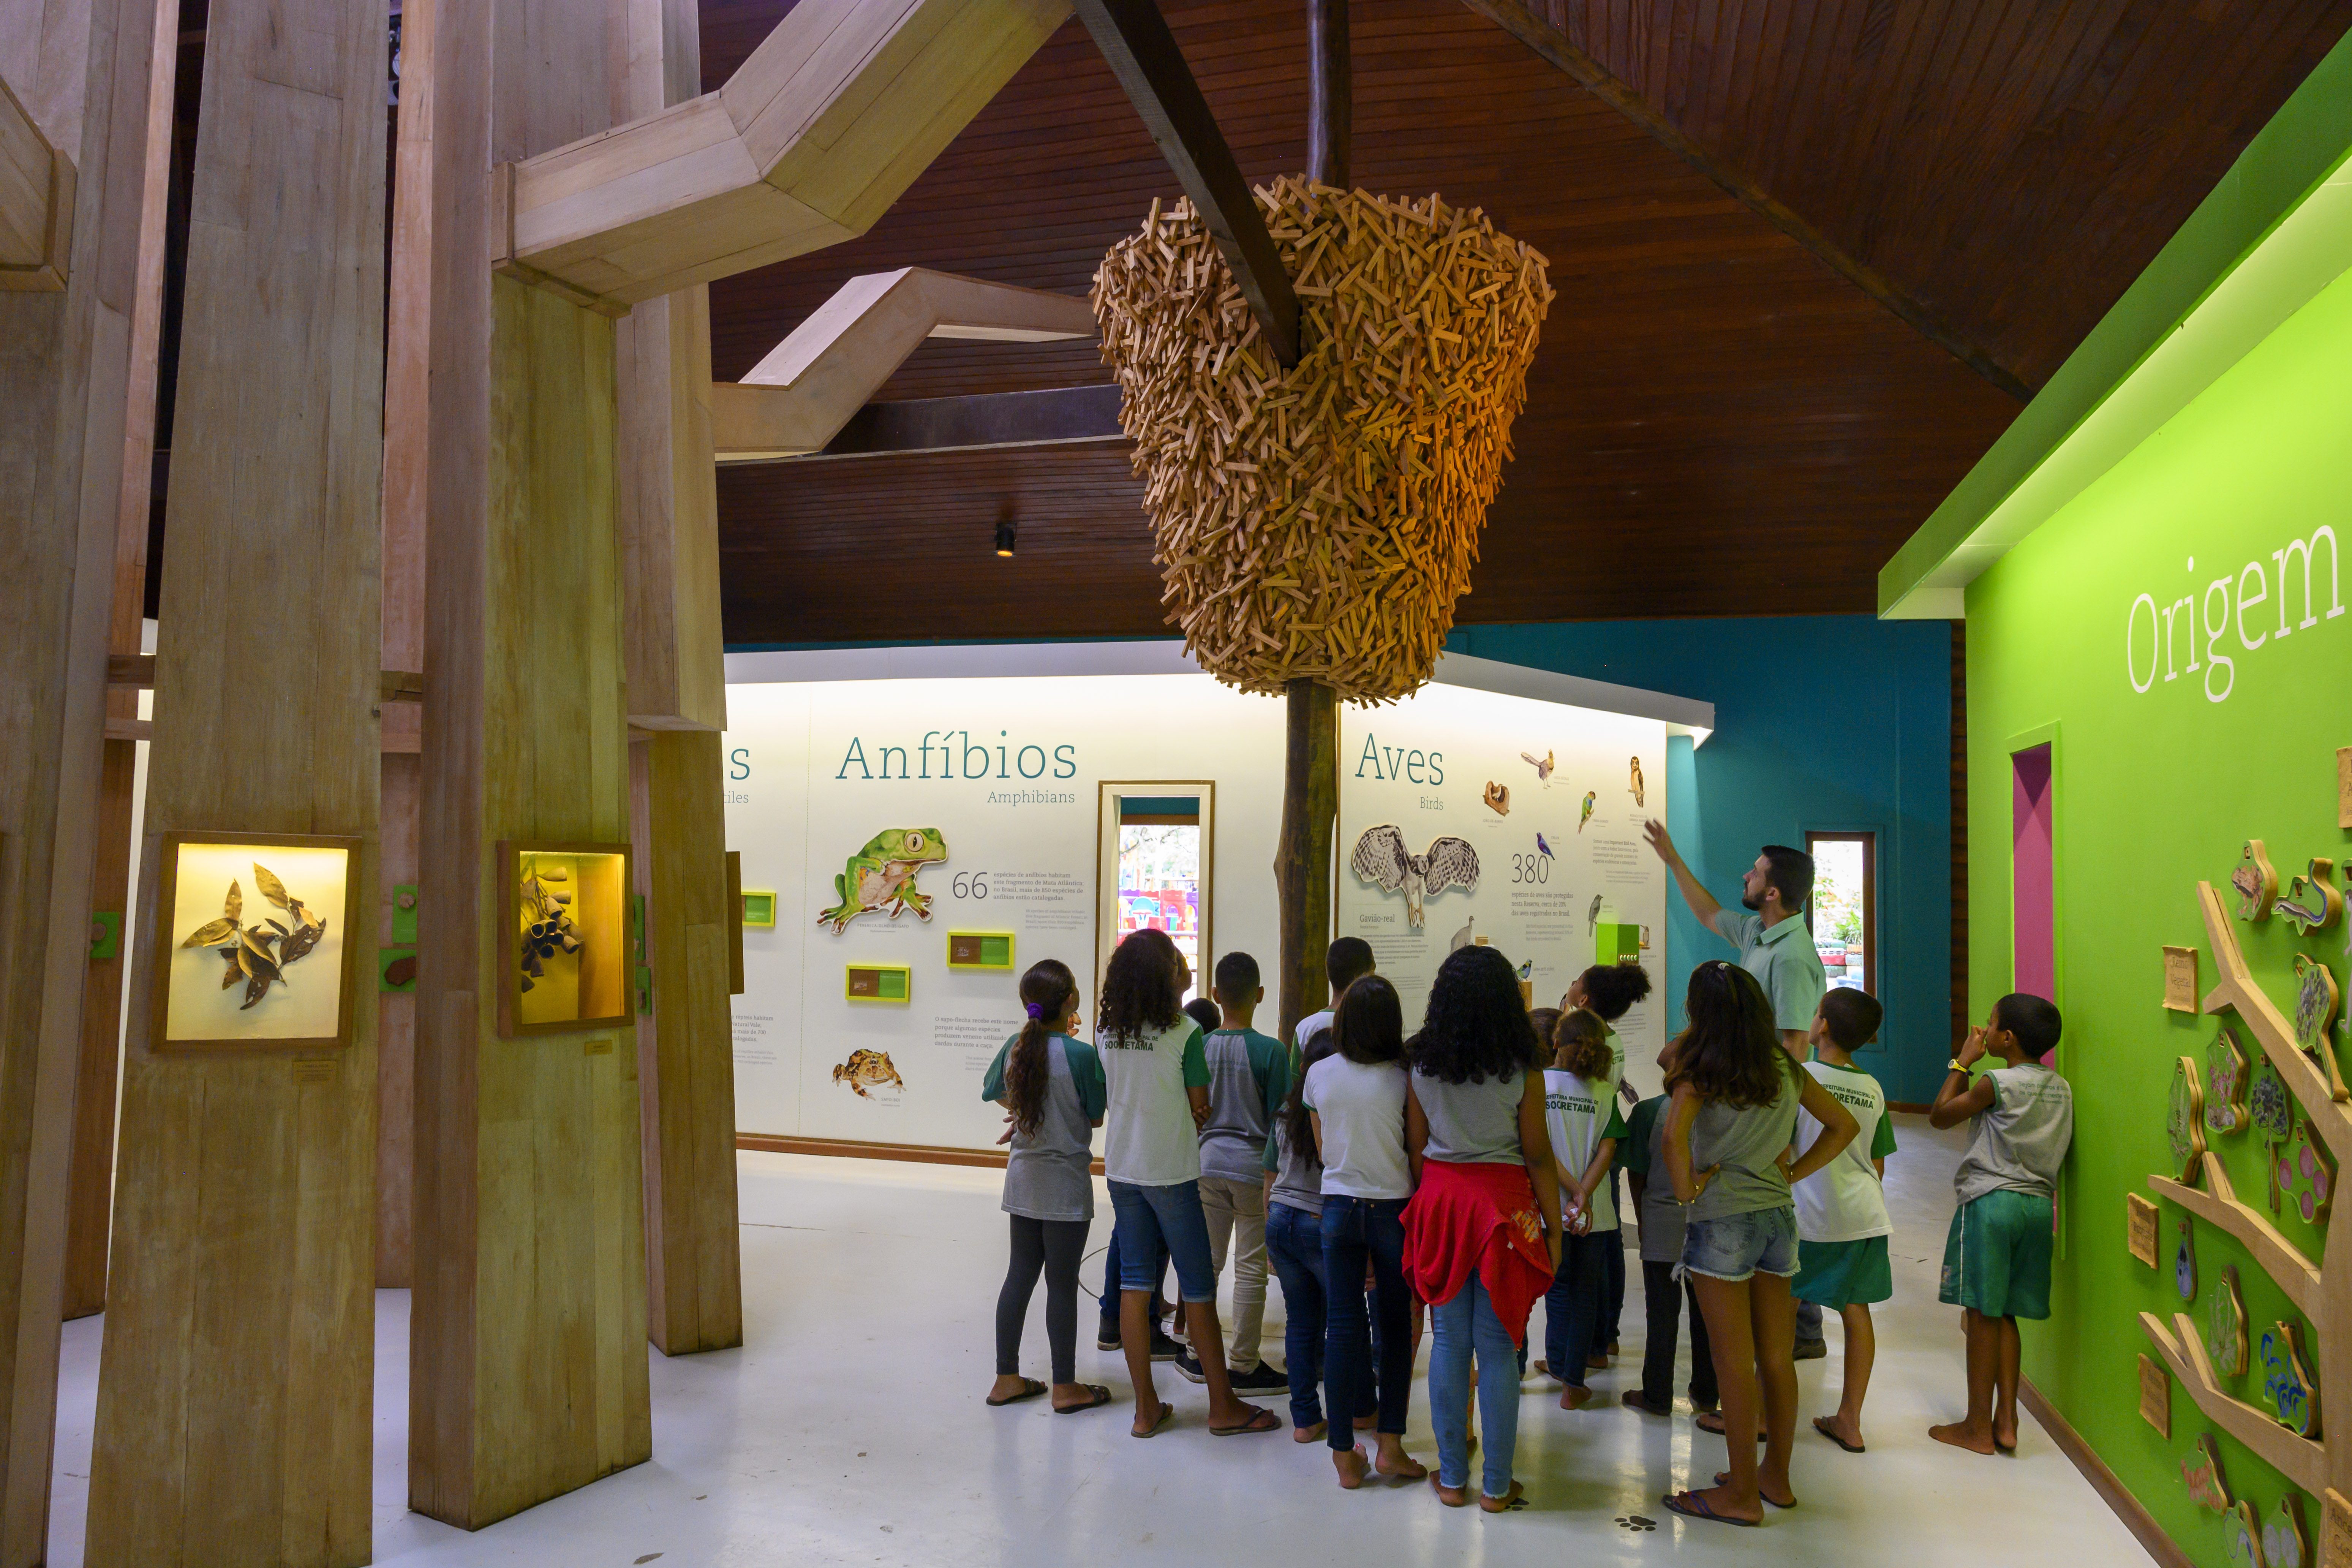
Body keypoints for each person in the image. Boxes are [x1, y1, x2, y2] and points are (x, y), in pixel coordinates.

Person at [1660, 962, 1857, 1528]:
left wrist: (1687, 1192)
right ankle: (1775, 1477)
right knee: (1776, 1356)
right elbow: (1842, 1126)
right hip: (1778, 1219)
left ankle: (1742, 1494)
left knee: (1732, 1364)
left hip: (1724, 1220)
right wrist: (1792, 1175)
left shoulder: (1704, 1066)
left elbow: (1674, 1137)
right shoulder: (1784, 1066)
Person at [1643, 824, 1831, 1359]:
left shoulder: (1792, 956)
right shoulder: (1757, 935)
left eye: (1755, 871)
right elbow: (1708, 913)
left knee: (1771, 1205)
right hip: (1749, 1098)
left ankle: (1802, 1328)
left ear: (1772, 891)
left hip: (1765, 1107)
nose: (1746, 875)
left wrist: (1777, 1133)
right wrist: (1673, 859)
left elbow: (1793, 1048)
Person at [1096, 928, 1279, 1438]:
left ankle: (1145, 1409)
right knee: (1198, 1285)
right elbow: (1204, 1105)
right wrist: (1192, 1110)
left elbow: (1109, 1094)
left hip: (1122, 1170)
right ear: (1166, 976)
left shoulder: (1105, 1031)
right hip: (1172, 1173)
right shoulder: (1184, 1033)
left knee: (1136, 1283)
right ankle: (1223, 1405)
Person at [1400, 945, 1563, 1513]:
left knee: (1448, 1342)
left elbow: (1417, 1148)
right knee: (1499, 1346)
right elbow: (1538, 1154)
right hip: (1505, 1204)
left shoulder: (1420, 1062)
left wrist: (1437, 1202)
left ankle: (1450, 1479)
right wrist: (1556, 1227)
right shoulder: (1523, 1065)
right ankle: (1497, 1485)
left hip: (1443, 1198)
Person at [1928, 993, 2074, 1457]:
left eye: (1990, 1025)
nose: (1984, 1031)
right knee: (2006, 1311)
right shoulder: (2060, 1088)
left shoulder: (1996, 1081)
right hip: (2036, 1209)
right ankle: (2006, 1421)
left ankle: (1975, 1427)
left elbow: (1940, 1115)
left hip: (1991, 1203)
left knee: (1980, 1312)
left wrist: (1961, 1061)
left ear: (2006, 1038)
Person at [1302, 974, 1428, 1488]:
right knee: (1396, 1328)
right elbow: (1417, 1153)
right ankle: (1390, 1449)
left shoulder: (1319, 1074)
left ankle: (1342, 1456)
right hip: (1394, 1210)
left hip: (1337, 1208)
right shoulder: (1407, 1077)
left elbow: (1324, 1149)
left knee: (1344, 1326)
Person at [982, 959, 1113, 1414]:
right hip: (1065, 1184)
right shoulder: (1081, 1055)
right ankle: (1065, 1387)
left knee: (1019, 1274)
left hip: (1023, 1179)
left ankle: (1005, 1378)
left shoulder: (1017, 1047)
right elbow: (1095, 1116)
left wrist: (1022, 1108)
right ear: (1071, 1001)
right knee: (1061, 1283)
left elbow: (989, 1089)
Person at [1790, 989, 1898, 1453]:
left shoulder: (1800, 1077)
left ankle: (1759, 1415)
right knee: (1856, 1312)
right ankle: (1850, 1420)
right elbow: (1878, 1163)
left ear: (1824, 1028)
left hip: (1808, 1213)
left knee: (1782, 1311)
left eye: (1816, 1013)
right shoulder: (1872, 1087)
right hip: (1864, 1215)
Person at [1181, 951, 1290, 1392]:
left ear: (1215, 995)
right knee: (1249, 1267)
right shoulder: (1272, 1052)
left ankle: (1193, 1352)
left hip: (1207, 1165)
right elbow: (1281, 1122)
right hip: (1252, 1170)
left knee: (1204, 1261)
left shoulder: (1201, 1046)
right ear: (1260, 995)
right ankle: (1243, 1363)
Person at [1618, 1037, 1717, 1420]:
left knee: (1661, 1313)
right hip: (1706, 1224)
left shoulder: (1648, 1112)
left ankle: (1658, 1394)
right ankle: (1707, 1393)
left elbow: (1637, 1175)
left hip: (1662, 1222)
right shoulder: (1715, 1110)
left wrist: (1644, 1222)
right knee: (1706, 1314)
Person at [1562, 962, 1653, 1363]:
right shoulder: (1605, 1038)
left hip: (1589, 1152)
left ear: (1583, 999)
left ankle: (1600, 1337)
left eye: (1575, 981)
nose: (1570, 983)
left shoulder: (1590, 1044)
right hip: (1594, 1150)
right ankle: (1602, 1335)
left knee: (1601, 1244)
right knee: (1605, 1237)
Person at [1265, 1026, 1352, 1442]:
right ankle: (1351, 1412)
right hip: (1318, 1223)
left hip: (1280, 1217)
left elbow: (1271, 1171)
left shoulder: (1285, 1110)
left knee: (1299, 1323)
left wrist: (1270, 1227)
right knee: (1344, 1321)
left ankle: (1304, 1419)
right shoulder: (1336, 1111)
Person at [1539, 1008, 1625, 1410]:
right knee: (1586, 1294)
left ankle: (1555, 1364)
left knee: (1556, 1289)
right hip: (1596, 1215)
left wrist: (1570, 1192)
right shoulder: (1605, 1093)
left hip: (1549, 1209)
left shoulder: (1537, 1085)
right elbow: (1608, 1151)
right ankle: (1573, 1382)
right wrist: (1584, 1195)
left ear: (1556, 1043)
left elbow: (1538, 1150)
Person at [1296, 936, 1376, 1051]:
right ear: (1361, 977)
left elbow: (1297, 1070)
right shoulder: (1372, 1024)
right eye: (1373, 970)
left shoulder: (1305, 1028)